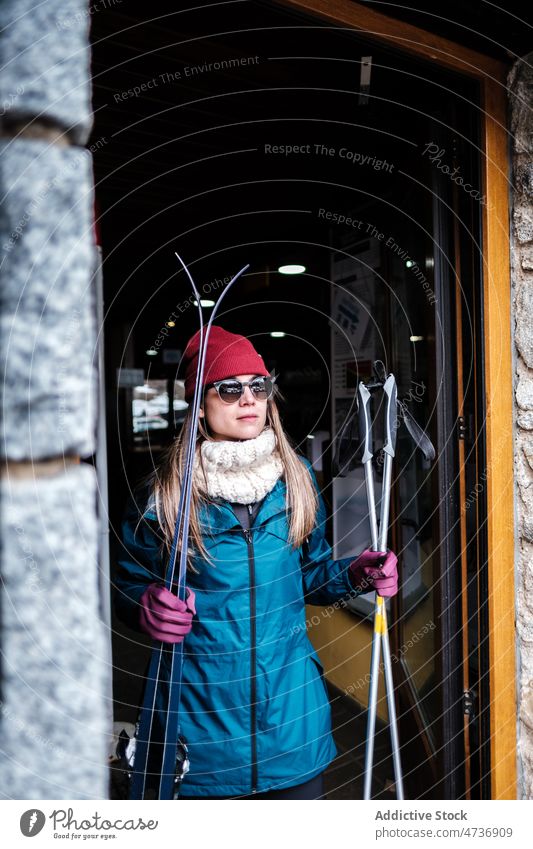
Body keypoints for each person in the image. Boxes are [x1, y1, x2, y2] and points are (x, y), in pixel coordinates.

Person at [114, 325, 398, 800]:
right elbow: (123, 583)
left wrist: (355, 573)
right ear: (199, 403)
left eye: (258, 386)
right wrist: (144, 602)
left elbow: (309, 573)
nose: (248, 398)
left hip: (292, 722)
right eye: (229, 388)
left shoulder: (297, 479)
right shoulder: (162, 495)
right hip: (198, 728)